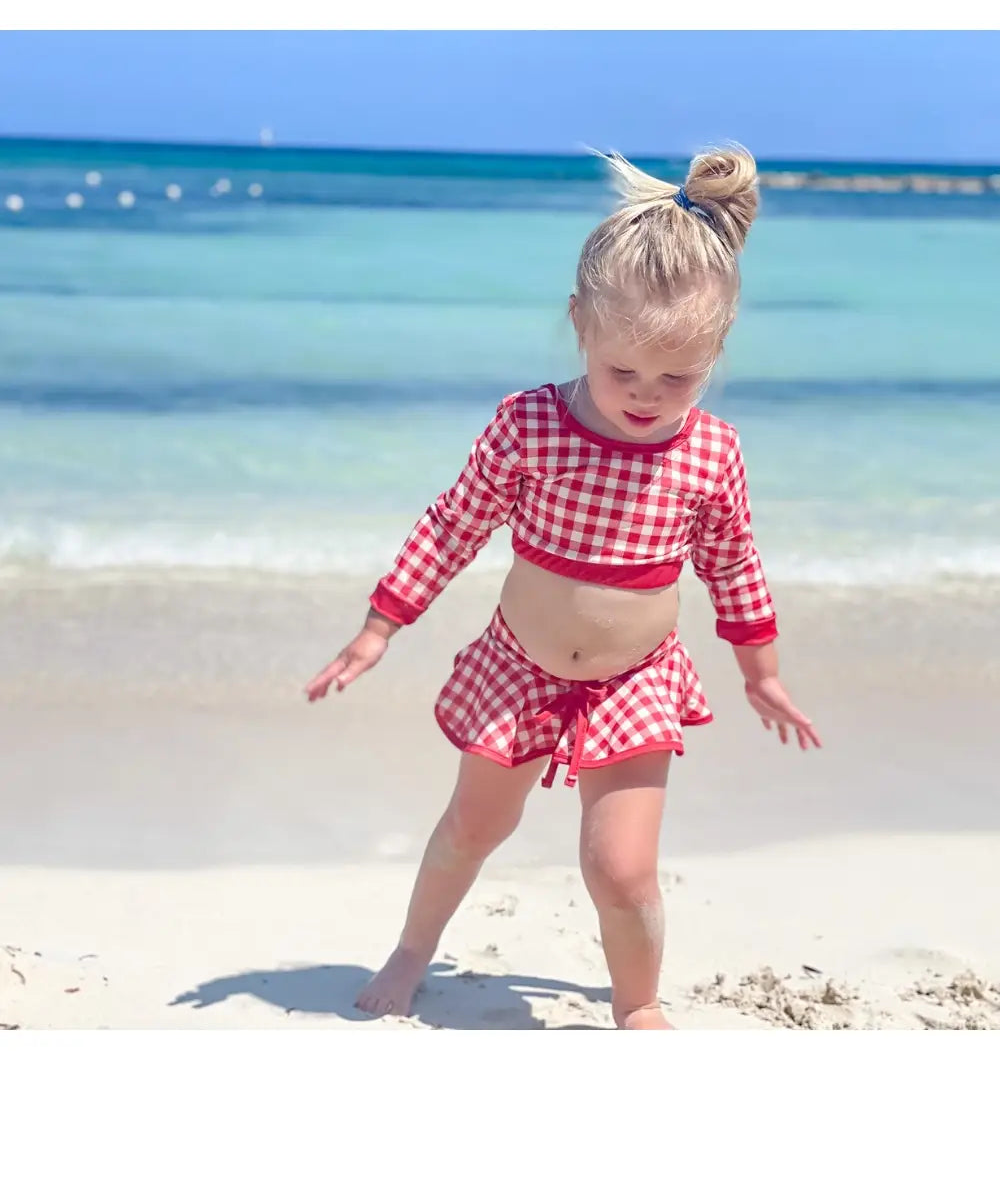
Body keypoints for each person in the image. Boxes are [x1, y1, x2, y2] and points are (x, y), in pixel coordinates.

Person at [305, 145, 821, 1029]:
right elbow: (452, 525)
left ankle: (637, 1003)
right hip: (518, 668)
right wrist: (378, 627)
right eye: (625, 371)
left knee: (620, 868)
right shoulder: (531, 425)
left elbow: (733, 564)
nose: (649, 396)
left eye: (679, 377)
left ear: (717, 349)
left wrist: (761, 670)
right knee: (472, 828)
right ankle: (413, 946)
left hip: (636, 680)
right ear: (580, 322)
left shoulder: (711, 453)